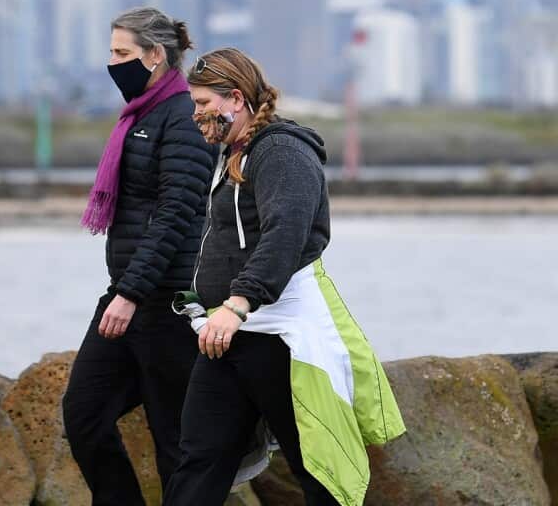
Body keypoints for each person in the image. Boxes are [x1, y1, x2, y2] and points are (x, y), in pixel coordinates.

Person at [162, 47, 405, 506]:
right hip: (227, 338)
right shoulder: (236, 152)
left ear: (235, 98)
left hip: (283, 342)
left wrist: (238, 303)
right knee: (198, 461)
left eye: (201, 104)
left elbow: (286, 232)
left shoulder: (281, 150)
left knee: (316, 469)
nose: (195, 115)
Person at [61, 7, 216, 505]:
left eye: (122, 53)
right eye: (111, 52)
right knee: (83, 414)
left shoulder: (185, 116)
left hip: (167, 302)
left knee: (174, 443)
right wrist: (125, 291)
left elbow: (177, 211)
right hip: (129, 293)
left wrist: (128, 293)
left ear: (155, 56)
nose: (113, 63)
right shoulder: (140, 115)